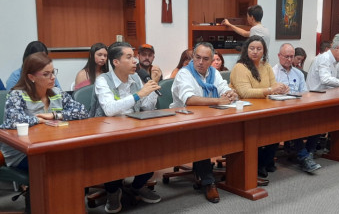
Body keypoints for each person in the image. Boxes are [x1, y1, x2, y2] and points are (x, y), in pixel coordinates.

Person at [0, 52, 88, 212]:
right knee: (60, 166)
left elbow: (82, 112)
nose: (52, 77)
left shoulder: (56, 92)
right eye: (46, 74)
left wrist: (55, 115)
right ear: (31, 77)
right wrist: (38, 119)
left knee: (73, 163)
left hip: (51, 146)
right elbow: (12, 121)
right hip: (21, 153)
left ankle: (69, 207)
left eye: (53, 72)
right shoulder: (17, 95)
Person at [91, 41, 161, 213]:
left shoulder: (136, 78)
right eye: (129, 57)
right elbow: (109, 109)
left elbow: (147, 107)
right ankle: (113, 192)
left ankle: (138, 186)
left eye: (133, 57)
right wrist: (139, 94)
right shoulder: (103, 81)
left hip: (134, 127)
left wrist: (150, 90)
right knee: (114, 158)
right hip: (106, 131)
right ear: (116, 62)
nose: (135, 61)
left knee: (157, 149)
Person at [170, 42, 238, 203]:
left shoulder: (214, 72)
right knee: (202, 138)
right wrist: (219, 100)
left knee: (238, 130)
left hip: (210, 118)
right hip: (184, 121)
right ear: (193, 57)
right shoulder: (184, 74)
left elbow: (223, 89)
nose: (200, 62)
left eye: (205, 59)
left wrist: (230, 94)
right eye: (197, 57)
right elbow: (190, 99)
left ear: (211, 60)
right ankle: (209, 182)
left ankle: (239, 175)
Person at [230, 35, 288, 178]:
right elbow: (244, 93)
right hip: (245, 110)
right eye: (252, 48)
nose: (255, 52)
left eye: (259, 49)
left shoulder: (266, 66)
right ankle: (258, 164)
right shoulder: (240, 67)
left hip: (264, 107)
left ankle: (266, 161)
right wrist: (269, 90)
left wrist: (281, 87)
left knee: (276, 129)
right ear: (246, 50)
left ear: (264, 51)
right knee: (259, 133)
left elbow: (273, 84)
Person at [273, 43, 321, 172]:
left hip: (298, 108)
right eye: (286, 56)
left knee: (319, 120)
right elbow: (268, 96)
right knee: (293, 124)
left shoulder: (298, 74)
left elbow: (305, 93)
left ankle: (309, 153)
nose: (289, 59)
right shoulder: (273, 73)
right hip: (280, 111)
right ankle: (304, 157)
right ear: (279, 56)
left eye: (291, 56)